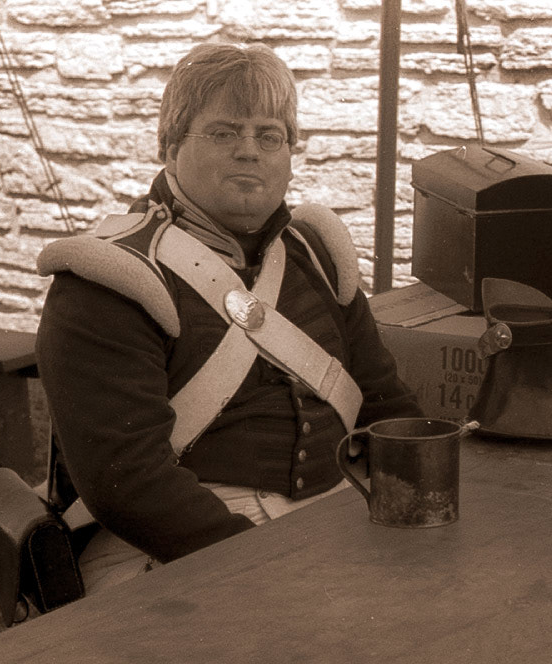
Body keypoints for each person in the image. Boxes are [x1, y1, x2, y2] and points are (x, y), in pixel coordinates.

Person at [35, 41, 420, 594]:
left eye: (270, 136)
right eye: (223, 133)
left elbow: (385, 406)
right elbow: (130, 483)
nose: (249, 152)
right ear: (170, 148)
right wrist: (272, 570)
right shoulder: (112, 278)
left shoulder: (317, 255)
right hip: (171, 548)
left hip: (335, 509)